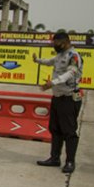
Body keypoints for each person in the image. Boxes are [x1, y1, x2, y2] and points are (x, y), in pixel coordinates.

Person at [33, 32, 84, 173]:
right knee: (55, 129)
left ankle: (70, 162)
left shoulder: (74, 56)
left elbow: (71, 73)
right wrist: (37, 61)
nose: (54, 45)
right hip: (57, 97)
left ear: (65, 41)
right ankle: (54, 158)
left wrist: (52, 82)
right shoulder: (60, 55)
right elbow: (50, 61)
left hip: (69, 98)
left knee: (69, 131)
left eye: (57, 43)